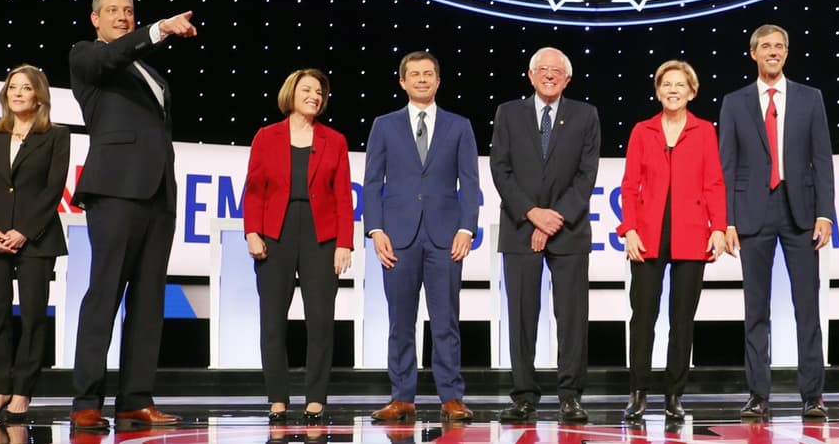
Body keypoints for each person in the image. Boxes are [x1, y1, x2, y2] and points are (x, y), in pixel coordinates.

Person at [67, 0, 197, 430]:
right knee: (105, 293)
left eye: (128, 10)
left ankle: (135, 399)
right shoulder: (87, 56)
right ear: (95, 19)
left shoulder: (150, 74)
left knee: (148, 301)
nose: (122, 16)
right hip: (116, 190)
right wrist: (159, 29)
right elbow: (112, 57)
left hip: (158, 194)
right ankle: (87, 399)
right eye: (113, 11)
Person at [719, 24, 836, 420]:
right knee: (756, 308)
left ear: (786, 53)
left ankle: (813, 395)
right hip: (752, 213)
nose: (773, 52)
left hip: (801, 212)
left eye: (779, 46)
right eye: (766, 46)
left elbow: (822, 159)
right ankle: (758, 395)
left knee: (807, 307)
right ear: (753, 53)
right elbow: (727, 165)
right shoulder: (734, 102)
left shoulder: (810, 97)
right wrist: (728, 221)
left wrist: (824, 213)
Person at [364, 51, 478, 425]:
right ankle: (402, 398)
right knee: (400, 322)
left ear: (438, 81)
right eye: (414, 74)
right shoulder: (384, 125)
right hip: (398, 237)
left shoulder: (459, 126)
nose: (422, 79)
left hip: (446, 237)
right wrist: (375, 230)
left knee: (446, 321)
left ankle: (451, 397)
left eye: (429, 73)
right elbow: (372, 182)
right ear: (403, 82)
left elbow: (470, 182)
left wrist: (466, 228)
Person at [490, 47, 600, 424]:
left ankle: (570, 396)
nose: (549, 75)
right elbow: (501, 169)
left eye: (556, 70)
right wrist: (532, 214)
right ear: (531, 75)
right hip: (520, 226)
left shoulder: (586, 115)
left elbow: (586, 174)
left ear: (567, 79)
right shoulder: (508, 113)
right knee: (521, 316)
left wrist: (555, 218)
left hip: (568, 229)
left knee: (572, 317)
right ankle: (524, 396)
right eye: (543, 69)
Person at [616, 60, 729, 422]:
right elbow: (629, 185)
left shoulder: (704, 130)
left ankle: (674, 395)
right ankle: (638, 392)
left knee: (682, 319)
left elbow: (714, 183)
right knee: (643, 316)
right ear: (658, 91)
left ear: (692, 92)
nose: (673, 90)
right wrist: (629, 229)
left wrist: (718, 227)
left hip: (691, 232)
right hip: (647, 234)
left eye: (680, 85)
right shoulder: (642, 130)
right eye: (667, 84)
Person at [243, 68, 354, 425]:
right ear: (291, 93)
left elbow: (343, 197)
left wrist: (344, 243)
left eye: (319, 92)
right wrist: (252, 231)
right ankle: (277, 399)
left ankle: (316, 399)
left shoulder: (334, 140)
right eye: (307, 90)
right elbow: (254, 190)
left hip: (321, 235)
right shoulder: (266, 136)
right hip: (275, 232)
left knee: (320, 320)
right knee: (272, 319)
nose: (314, 96)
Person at [0, 65, 69, 425]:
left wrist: (24, 230)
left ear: (38, 96)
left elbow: (53, 190)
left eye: (26, 88)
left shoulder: (56, 136)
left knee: (32, 316)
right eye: (13, 87)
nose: (18, 93)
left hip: (36, 239)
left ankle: (23, 391)